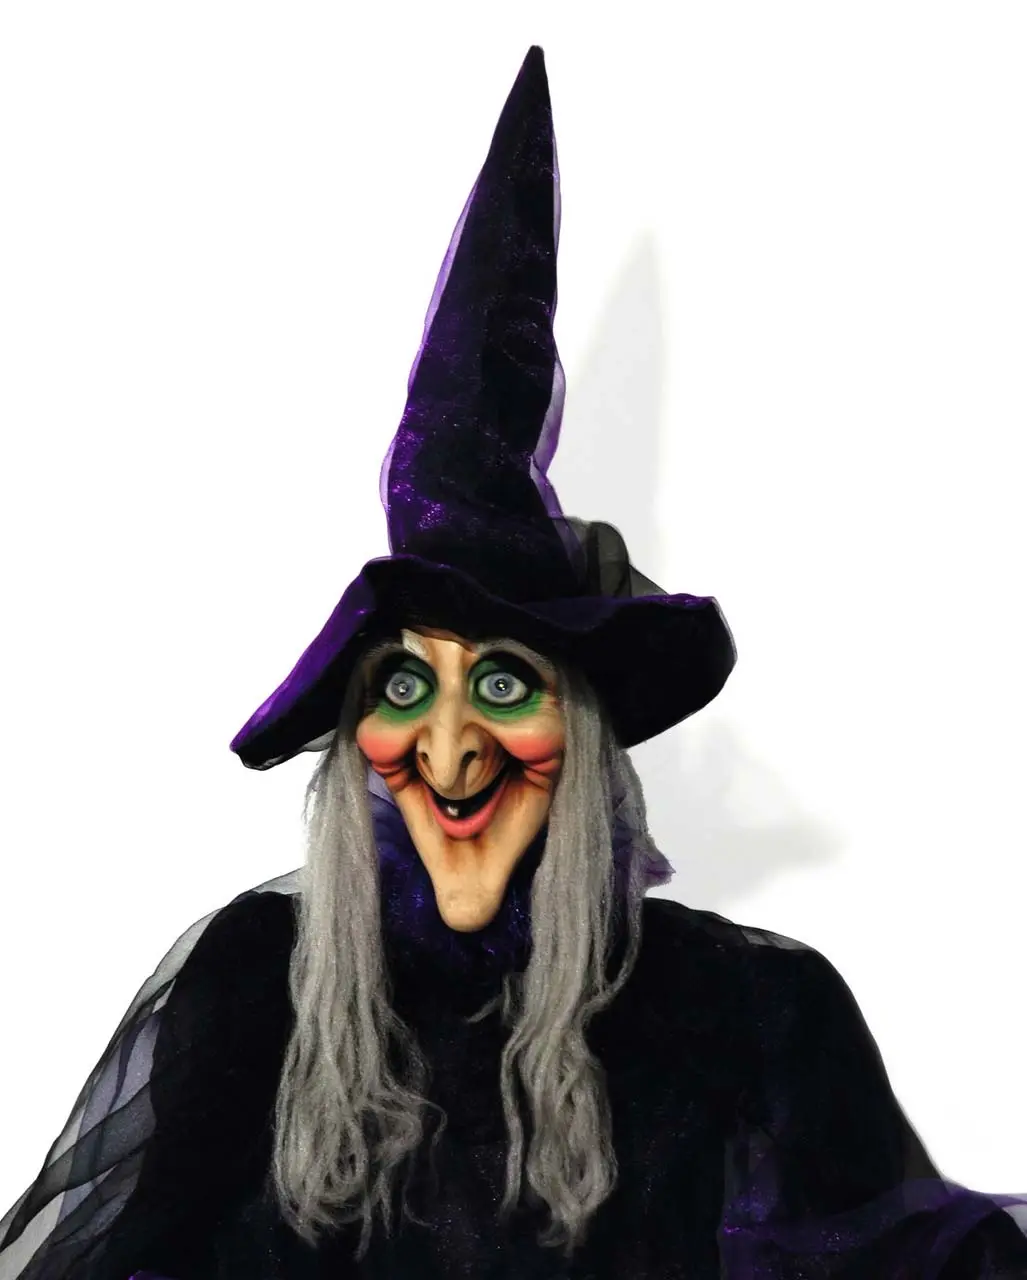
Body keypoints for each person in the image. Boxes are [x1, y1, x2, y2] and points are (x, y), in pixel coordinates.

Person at [2, 46, 1026, 1280]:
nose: (446, 747)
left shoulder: (749, 1012)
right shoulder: (254, 988)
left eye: (502, 682)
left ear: (578, 726)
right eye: (401, 685)